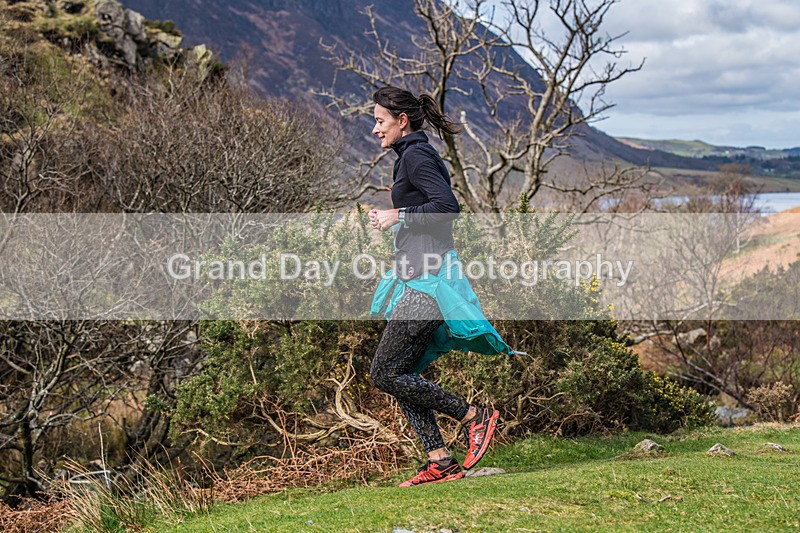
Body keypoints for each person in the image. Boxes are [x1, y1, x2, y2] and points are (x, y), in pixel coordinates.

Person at [367, 86, 513, 487]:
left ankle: (473, 416)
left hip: (430, 282)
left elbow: (448, 208)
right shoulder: (409, 156)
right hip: (418, 277)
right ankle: (440, 460)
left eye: (380, 121)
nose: (375, 129)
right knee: (402, 372)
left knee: (384, 372)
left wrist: (397, 214)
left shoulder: (416, 155)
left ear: (402, 121)